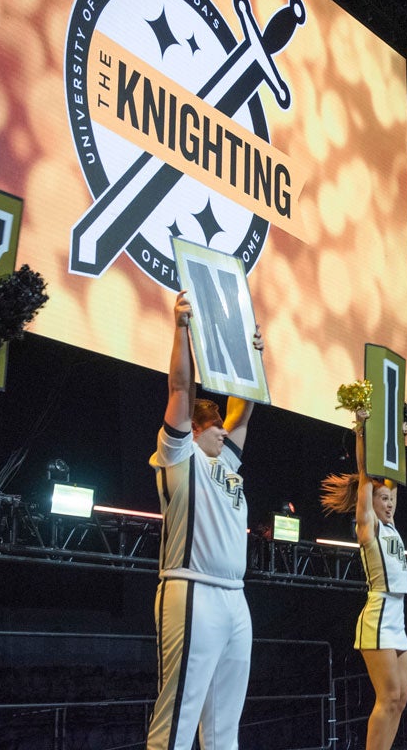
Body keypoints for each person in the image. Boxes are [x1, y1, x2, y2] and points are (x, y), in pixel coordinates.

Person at [145, 291, 262, 750]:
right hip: (191, 588)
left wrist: (248, 358)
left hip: (235, 598)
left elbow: (244, 408)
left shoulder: (226, 466)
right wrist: (181, 328)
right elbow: (180, 389)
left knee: (223, 730)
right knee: (177, 719)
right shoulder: (179, 455)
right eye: (216, 424)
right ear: (197, 429)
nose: (224, 429)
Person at [320, 408, 407, 750]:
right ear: (369, 502)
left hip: (398, 616)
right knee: (387, 698)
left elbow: (394, 477)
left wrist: (400, 436)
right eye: (382, 498)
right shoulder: (368, 527)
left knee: (400, 700)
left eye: (390, 499)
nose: (388, 502)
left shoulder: (391, 525)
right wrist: (361, 429)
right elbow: (364, 472)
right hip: (379, 613)